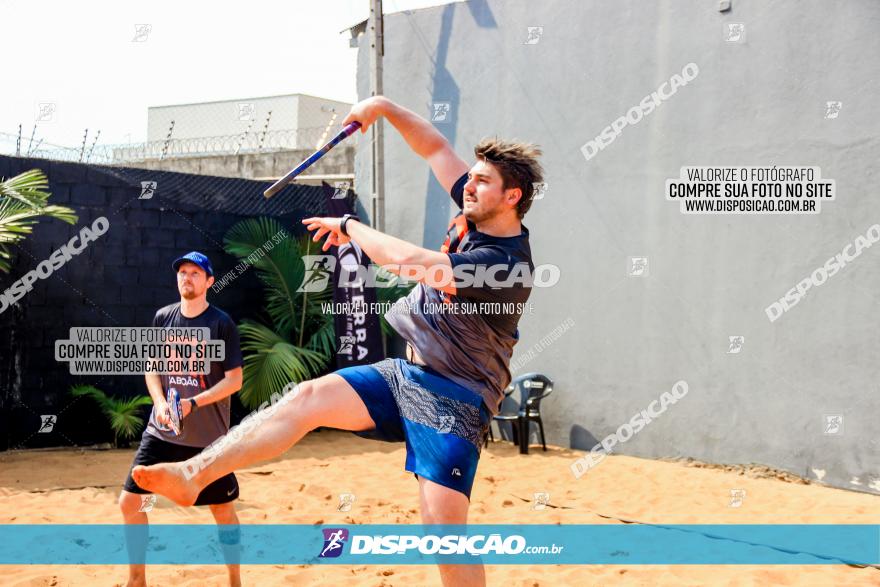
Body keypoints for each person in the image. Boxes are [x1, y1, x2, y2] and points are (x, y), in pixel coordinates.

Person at [133, 96, 544, 587]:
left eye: (481, 182)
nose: (468, 186)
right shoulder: (476, 208)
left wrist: (351, 226)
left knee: (442, 536)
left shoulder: (505, 264)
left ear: (512, 196)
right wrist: (384, 107)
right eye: (471, 177)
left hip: (456, 396)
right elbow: (433, 146)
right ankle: (193, 473)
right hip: (407, 376)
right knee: (306, 397)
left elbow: (412, 265)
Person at [120, 251, 244, 587]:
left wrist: (193, 403)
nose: (186, 278)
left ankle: (235, 580)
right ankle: (137, 580)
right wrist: (160, 402)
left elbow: (234, 380)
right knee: (131, 502)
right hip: (161, 433)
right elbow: (152, 369)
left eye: (194, 273)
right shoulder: (163, 318)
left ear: (209, 282)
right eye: (182, 272)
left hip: (207, 440)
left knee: (222, 512)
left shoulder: (221, 324)